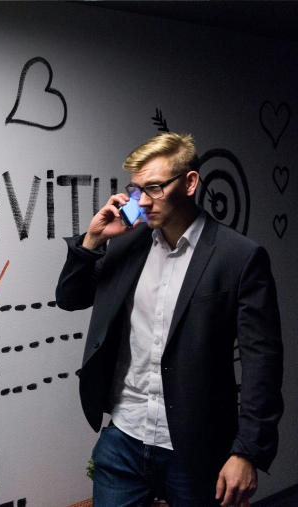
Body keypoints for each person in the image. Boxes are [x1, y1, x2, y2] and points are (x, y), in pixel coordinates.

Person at [55, 133, 283, 507]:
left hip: (196, 448)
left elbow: (263, 362)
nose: (143, 201)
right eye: (136, 189)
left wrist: (247, 451)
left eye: (155, 188)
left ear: (190, 183)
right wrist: (93, 239)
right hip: (124, 438)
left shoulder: (239, 257)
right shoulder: (128, 242)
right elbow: (70, 298)